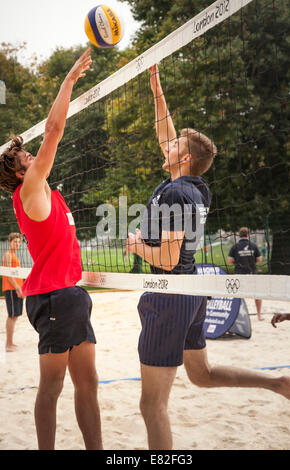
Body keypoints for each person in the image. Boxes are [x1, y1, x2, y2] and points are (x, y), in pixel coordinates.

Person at [126, 64, 290, 450]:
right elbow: (167, 135)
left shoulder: (176, 194)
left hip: (169, 293)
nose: (166, 145)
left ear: (184, 159)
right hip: (192, 291)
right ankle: (280, 382)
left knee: (152, 404)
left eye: (174, 147)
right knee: (201, 376)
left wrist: (136, 244)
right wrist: (157, 92)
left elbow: (168, 260)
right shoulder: (194, 187)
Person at [0, 48, 102, 450]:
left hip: (68, 294)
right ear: (19, 171)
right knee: (53, 386)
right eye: (27, 155)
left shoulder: (45, 192)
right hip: (54, 296)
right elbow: (56, 128)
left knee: (87, 383)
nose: (33, 154)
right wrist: (70, 79)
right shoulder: (29, 188)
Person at [228, 227, 264, 320]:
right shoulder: (253, 245)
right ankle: (259, 315)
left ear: (239, 235)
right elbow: (259, 259)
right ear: (248, 235)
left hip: (239, 273)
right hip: (252, 272)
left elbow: (229, 261)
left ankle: (236, 317)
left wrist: (238, 262)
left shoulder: (235, 246)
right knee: (257, 295)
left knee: (237, 296)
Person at [2, 232, 24, 352]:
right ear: (10, 242)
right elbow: (9, 275)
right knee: (12, 316)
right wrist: (18, 288)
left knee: (15, 316)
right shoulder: (8, 255)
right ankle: (8, 345)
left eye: (18, 242)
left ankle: (10, 342)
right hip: (11, 289)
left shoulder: (14, 255)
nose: (17, 244)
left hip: (16, 289)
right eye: (15, 241)